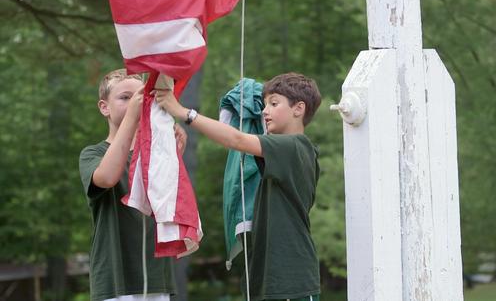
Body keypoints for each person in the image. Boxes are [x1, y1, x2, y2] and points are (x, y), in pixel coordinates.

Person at [154, 72, 322, 301]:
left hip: (291, 280)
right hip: (268, 279)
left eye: (274, 103)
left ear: (298, 109)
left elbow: (238, 140)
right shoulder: (281, 150)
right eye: (264, 104)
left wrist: (183, 112)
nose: (264, 111)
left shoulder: (295, 146)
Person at [79, 69, 186, 301]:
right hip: (115, 278)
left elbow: (171, 204)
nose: (134, 102)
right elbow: (107, 178)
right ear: (104, 107)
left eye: (139, 97)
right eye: (124, 97)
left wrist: (172, 154)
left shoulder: (155, 153)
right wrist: (132, 118)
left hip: (158, 275)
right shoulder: (93, 154)